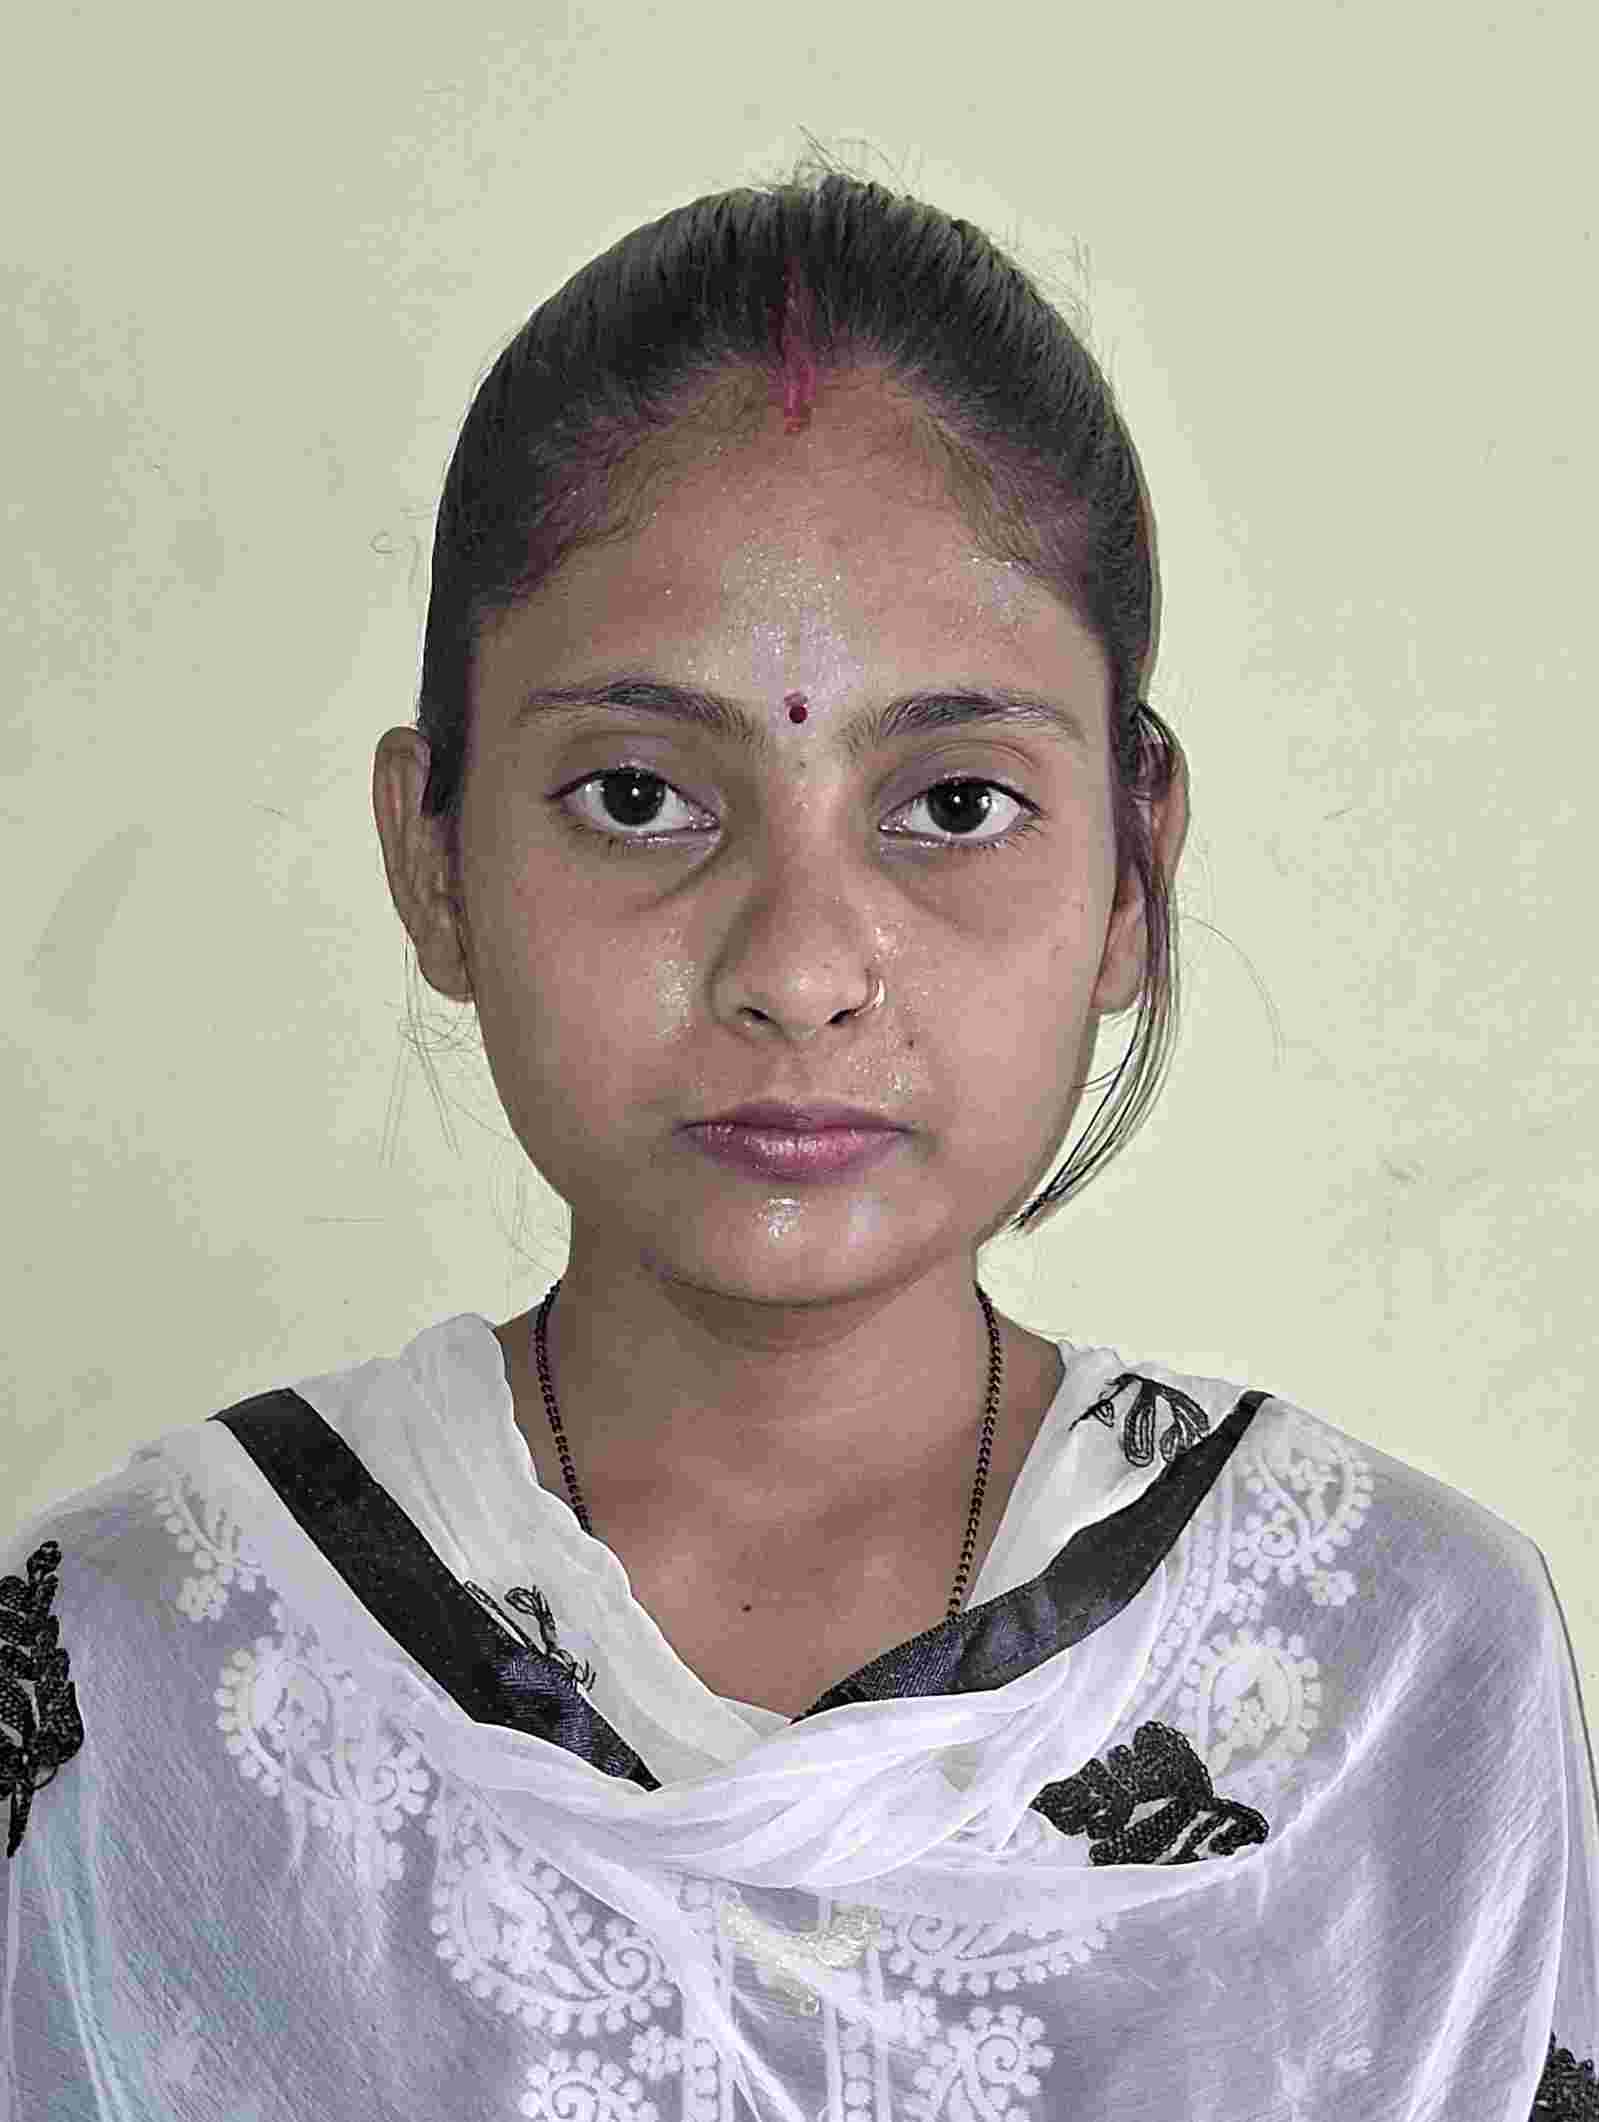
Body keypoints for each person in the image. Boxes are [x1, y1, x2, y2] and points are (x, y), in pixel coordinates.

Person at [4, 146, 1596, 2122]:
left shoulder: (1393, 1672)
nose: (798, 965)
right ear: (432, 857)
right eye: (636, 795)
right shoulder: (137, 1662)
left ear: (1132, 866)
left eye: (951, 805)